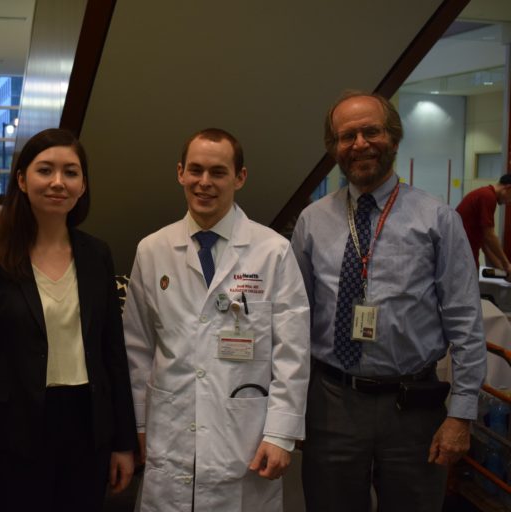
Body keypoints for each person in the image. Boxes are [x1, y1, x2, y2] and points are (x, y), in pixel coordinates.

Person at [291, 91, 486, 511]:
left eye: (371, 131)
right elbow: (293, 322)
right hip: (331, 403)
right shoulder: (312, 221)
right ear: (334, 149)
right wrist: (289, 409)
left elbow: (466, 323)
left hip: (413, 408)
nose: (359, 143)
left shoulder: (437, 219)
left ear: (394, 138)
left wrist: (461, 414)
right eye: (347, 136)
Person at [123, 128, 310, 511]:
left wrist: (281, 434)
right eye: (195, 170)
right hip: (169, 428)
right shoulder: (153, 249)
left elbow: (292, 352)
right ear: (180, 173)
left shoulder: (272, 251)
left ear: (239, 177)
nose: (204, 182)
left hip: (245, 435)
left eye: (218, 172)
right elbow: (137, 348)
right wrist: (139, 425)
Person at [0, 128, 137, 512]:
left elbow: (113, 354)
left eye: (71, 172)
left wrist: (124, 442)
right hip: (15, 433)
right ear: (22, 179)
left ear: (83, 184)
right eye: (45, 170)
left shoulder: (97, 255)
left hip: (88, 428)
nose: (58, 182)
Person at [456, 174, 511, 275]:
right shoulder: (488, 196)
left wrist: (504, 271)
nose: (509, 202)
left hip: (465, 257)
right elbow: (489, 236)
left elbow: (485, 244)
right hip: (462, 258)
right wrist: (507, 264)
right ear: (508, 188)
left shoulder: (484, 194)